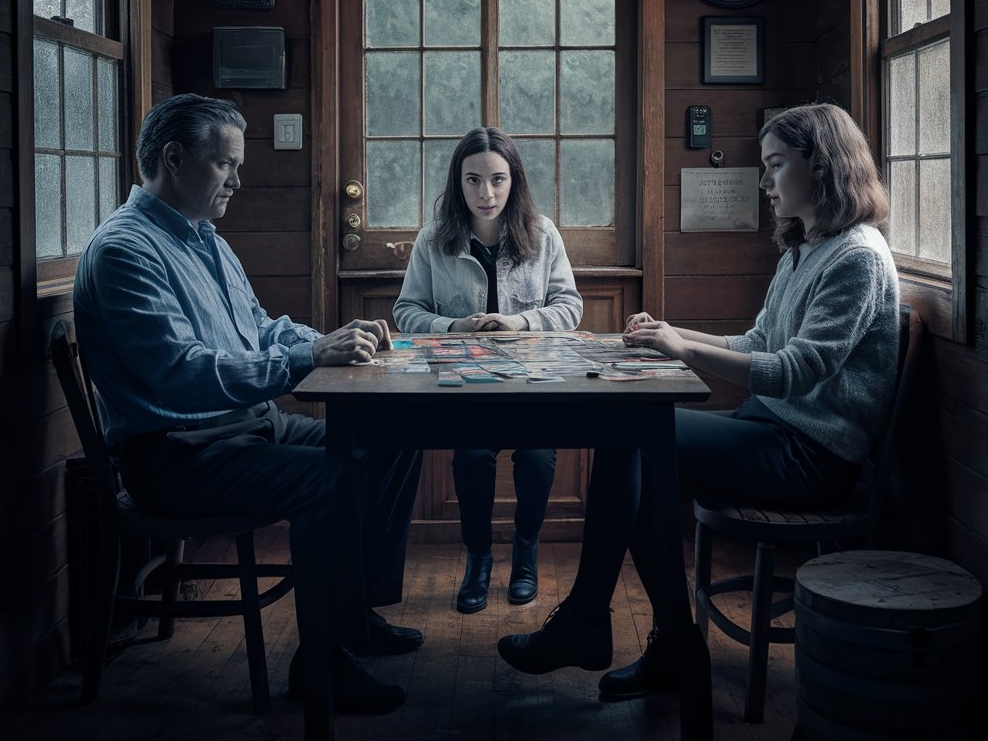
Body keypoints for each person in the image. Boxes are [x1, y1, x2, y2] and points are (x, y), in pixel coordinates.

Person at [496, 103, 901, 700]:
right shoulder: (806, 248)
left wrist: (679, 349)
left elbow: (793, 372)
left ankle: (603, 626)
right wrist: (672, 333)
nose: (764, 182)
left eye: (775, 165)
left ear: (823, 167)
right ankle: (667, 645)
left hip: (813, 457)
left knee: (632, 438)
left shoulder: (858, 257)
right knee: (633, 449)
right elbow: (760, 342)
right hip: (771, 429)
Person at [73, 93, 424, 718]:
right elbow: (181, 376)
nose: (238, 178)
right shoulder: (125, 252)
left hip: (245, 430)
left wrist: (329, 341)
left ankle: (350, 616)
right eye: (226, 164)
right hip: (176, 456)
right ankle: (319, 666)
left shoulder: (206, 238)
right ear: (175, 159)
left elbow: (260, 327)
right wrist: (310, 360)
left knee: (394, 436)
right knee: (335, 479)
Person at [393, 127, 583, 613]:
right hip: (463, 385)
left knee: (537, 458)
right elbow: (407, 311)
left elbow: (569, 306)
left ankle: (525, 553)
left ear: (514, 181)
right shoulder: (434, 239)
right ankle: (478, 559)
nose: (486, 193)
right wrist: (454, 324)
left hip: (533, 381)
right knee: (472, 457)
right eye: (473, 180)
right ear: (458, 182)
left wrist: (518, 322)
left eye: (498, 180)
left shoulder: (542, 234)